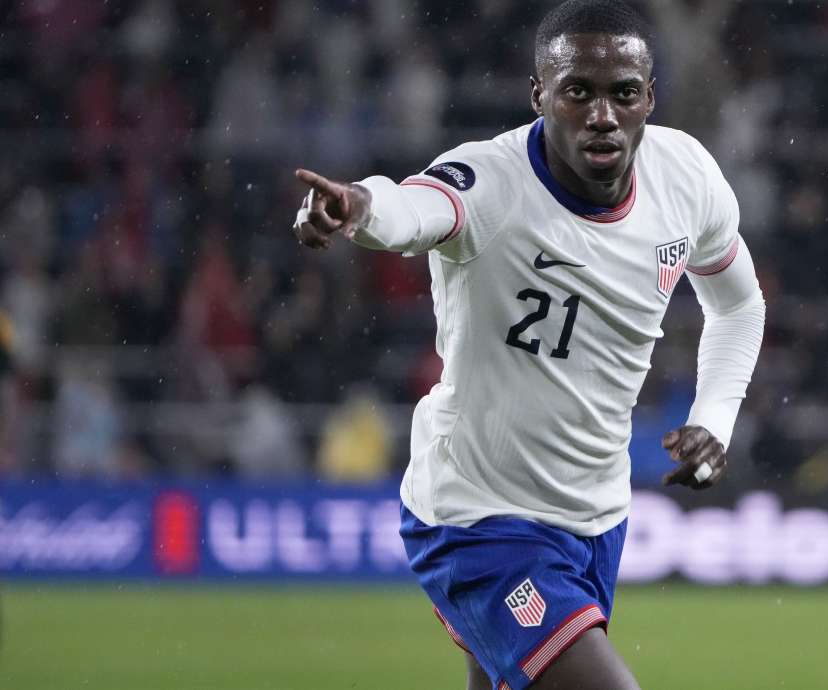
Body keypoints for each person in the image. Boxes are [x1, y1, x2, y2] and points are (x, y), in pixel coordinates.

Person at [290, 1, 765, 688]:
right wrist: (356, 207)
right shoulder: (490, 181)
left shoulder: (686, 177)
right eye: (578, 91)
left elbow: (739, 303)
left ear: (649, 98)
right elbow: (411, 208)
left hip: (594, 519)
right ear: (539, 93)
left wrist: (713, 419)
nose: (602, 113)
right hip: (478, 521)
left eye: (623, 93)